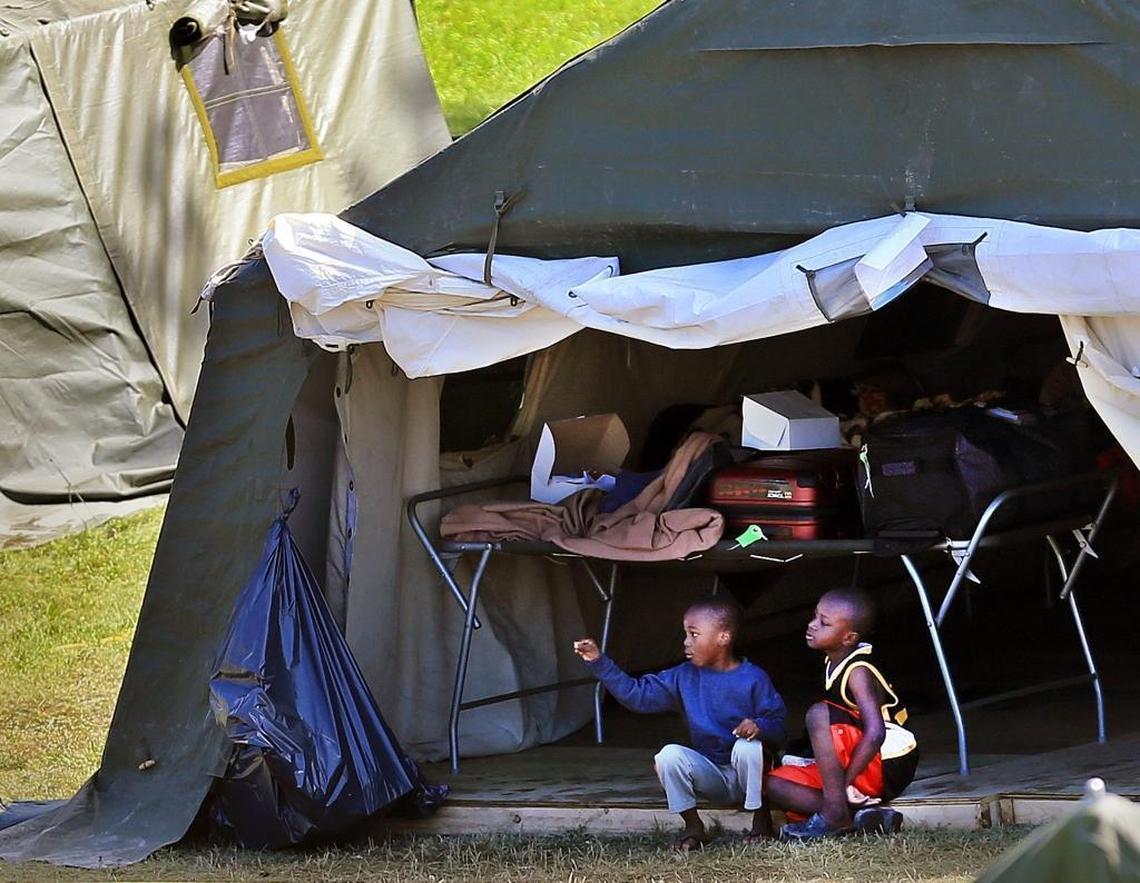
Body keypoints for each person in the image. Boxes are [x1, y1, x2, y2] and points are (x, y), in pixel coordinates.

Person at [574, 596, 786, 850]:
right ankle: (693, 825)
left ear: (723, 638)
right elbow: (637, 696)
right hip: (712, 774)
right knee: (668, 756)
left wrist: (759, 726)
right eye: (685, 634)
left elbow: (780, 727)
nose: (686, 642)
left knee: (748, 746)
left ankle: (760, 819)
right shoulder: (683, 676)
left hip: (748, 775)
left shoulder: (753, 678)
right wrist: (599, 661)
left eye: (694, 634)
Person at [757, 587, 919, 841]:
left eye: (824, 623)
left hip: (887, 761)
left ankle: (833, 813)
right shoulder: (833, 660)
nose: (812, 625)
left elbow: (875, 733)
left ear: (848, 638)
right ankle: (859, 817)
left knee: (818, 714)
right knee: (773, 785)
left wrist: (844, 784)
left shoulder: (858, 670)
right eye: (814, 616)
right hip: (860, 761)